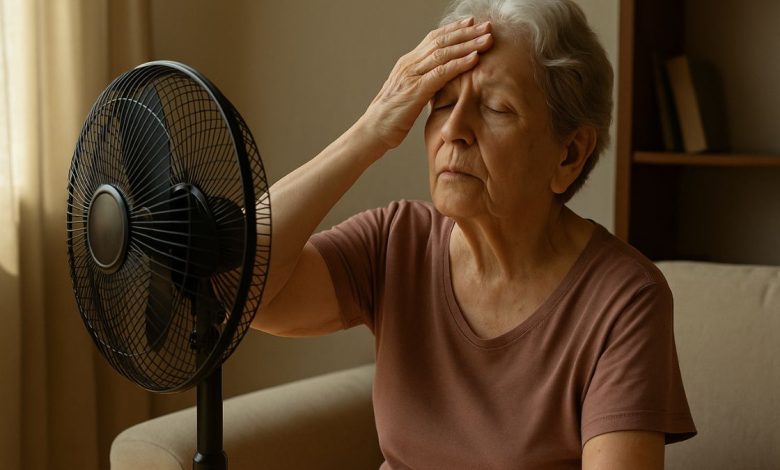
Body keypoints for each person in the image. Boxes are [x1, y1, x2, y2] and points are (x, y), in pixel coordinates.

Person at [252, 0, 697, 468]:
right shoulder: (397, 241)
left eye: (496, 108)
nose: (454, 129)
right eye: (441, 103)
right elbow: (235, 287)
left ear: (568, 154)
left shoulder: (624, 301)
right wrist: (370, 131)